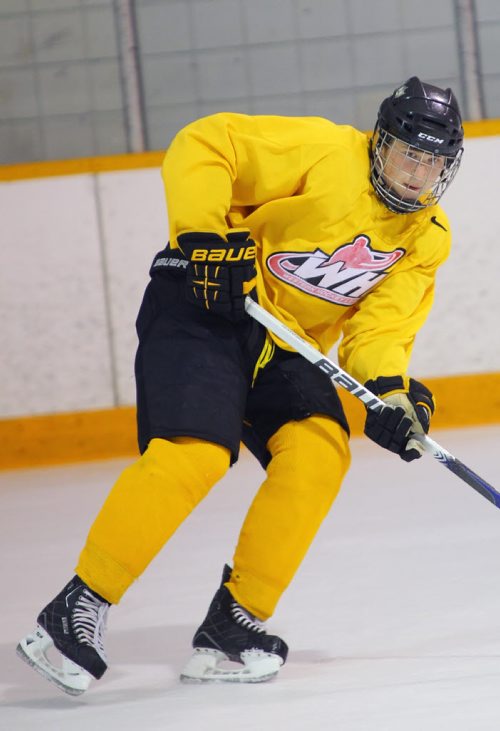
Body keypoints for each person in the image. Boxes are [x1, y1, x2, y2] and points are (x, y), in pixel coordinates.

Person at [17, 76, 464, 694]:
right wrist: (201, 237)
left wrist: (392, 396)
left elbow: (378, 332)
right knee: (196, 453)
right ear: (381, 142)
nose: (419, 173)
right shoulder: (325, 152)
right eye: (410, 153)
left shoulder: (427, 237)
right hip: (206, 300)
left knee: (320, 451)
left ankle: (234, 622)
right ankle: (77, 606)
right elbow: (208, 142)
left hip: (281, 340)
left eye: (435, 161)